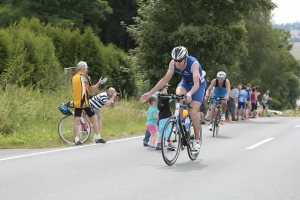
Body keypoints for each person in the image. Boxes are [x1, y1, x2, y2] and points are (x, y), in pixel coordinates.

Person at [140, 46, 206, 153]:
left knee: (193, 112)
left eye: (180, 60)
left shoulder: (193, 64)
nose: (177, 63)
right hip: (185, 83)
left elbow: (196, 84)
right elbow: (165, 79)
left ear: (185, 58)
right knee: (178, 95)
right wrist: (150, 93)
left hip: (197, 85)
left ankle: (197, 141)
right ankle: (181, 121)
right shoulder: (173, 63)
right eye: (175, 60)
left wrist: (189, 94)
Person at [72, 61, 107, 145]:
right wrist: (99, 83)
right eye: (87, 68)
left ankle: (76, 139)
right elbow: (91, 89)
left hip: (77, 102)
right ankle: (98, 137)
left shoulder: (74, 78)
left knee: (76, 120)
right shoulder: (84, 77)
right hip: (85, 102)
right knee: (94, 118)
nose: (87, 69)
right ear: (83, 69)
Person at [156, 84, 175, 151]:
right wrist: (173, 96)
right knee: (168, 130)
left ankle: (158, 144)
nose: (167, 89)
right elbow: (169, 97)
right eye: (166, 88)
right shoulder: (163, 96)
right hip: (166, 116)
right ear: (164, 88)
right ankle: (169, 145)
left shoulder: (159, 95)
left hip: (161, 116)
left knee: (161, 131)